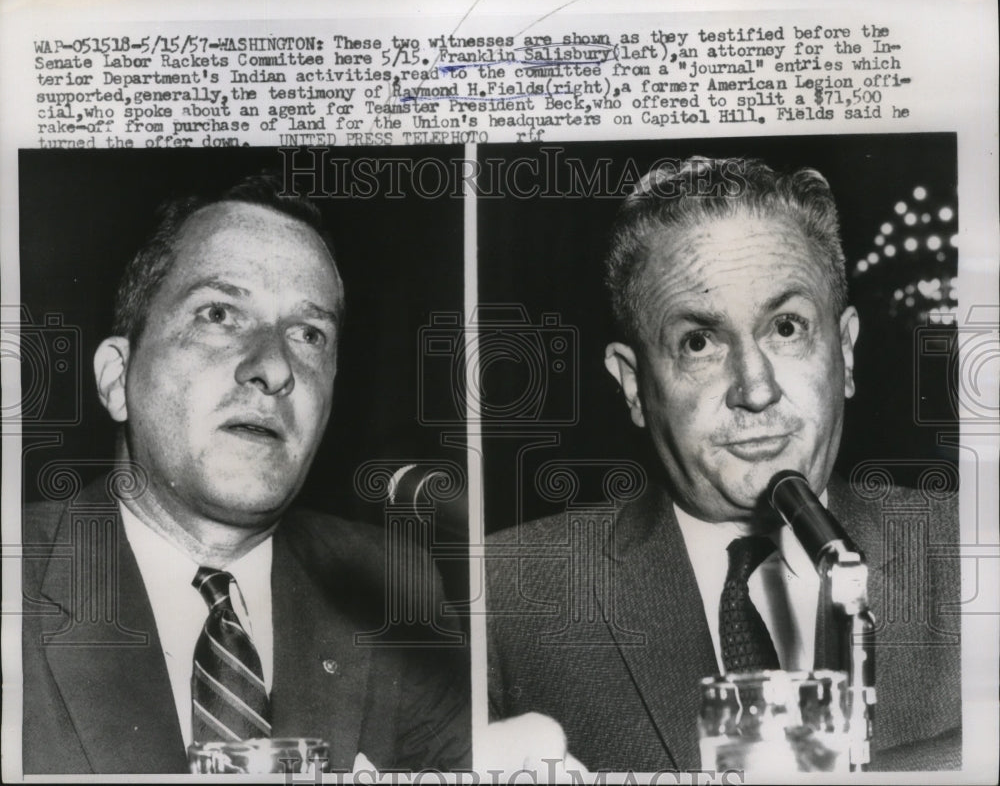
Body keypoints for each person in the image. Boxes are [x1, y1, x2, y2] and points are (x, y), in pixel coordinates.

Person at [487, 156, 961, 773]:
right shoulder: (500, 597)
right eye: (699, 342)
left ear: (844, 351)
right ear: (634, 385)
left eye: (787, 327)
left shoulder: (974, 545)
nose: (755, 388)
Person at [21, 175, 469, 774]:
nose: (274, 366)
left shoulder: (394, 589)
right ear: (115, 379)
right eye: (219, 313)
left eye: (310, 334)